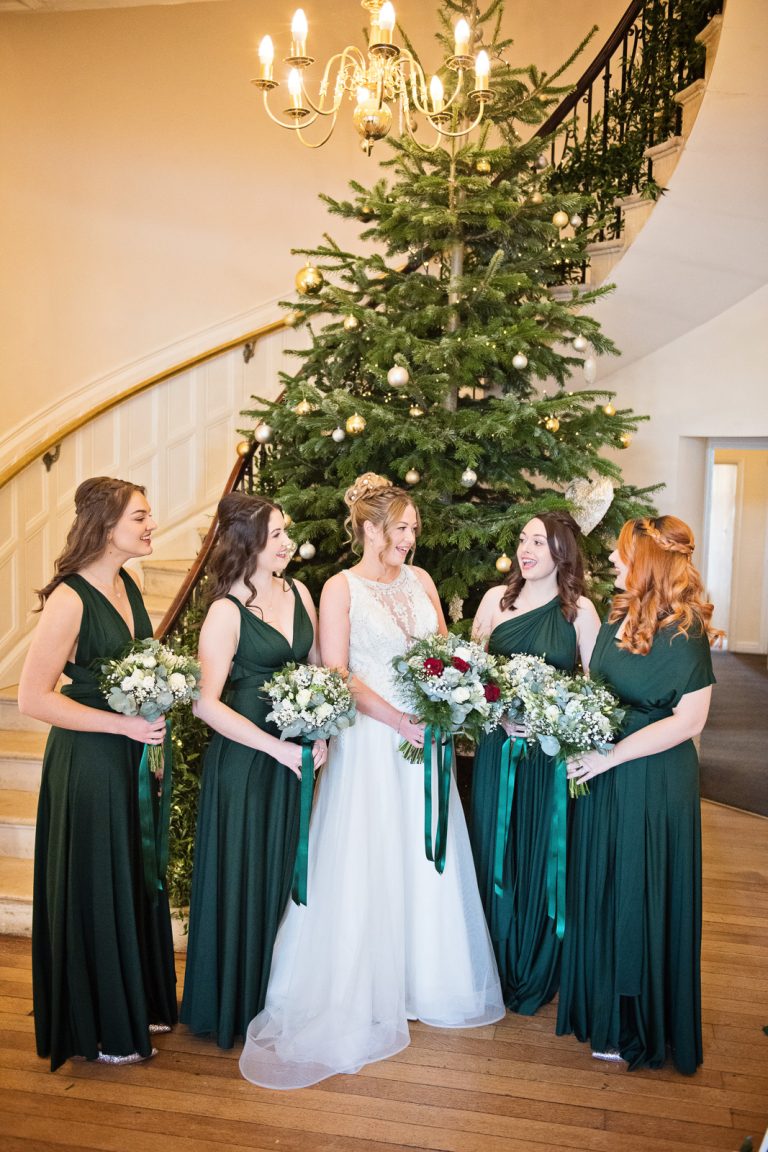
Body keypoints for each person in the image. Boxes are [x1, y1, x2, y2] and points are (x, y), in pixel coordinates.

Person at [239, 473, 504, 1089]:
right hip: (371, 740)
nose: (411, 539)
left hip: (425, 737)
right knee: (370, 853)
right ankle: (364, 984)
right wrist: (399, 720)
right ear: (369, 530)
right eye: (401, 529)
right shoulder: (339, 588)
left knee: (424, 851)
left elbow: (446, 653)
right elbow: (338, 673)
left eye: (413, 528)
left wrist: (448, 702)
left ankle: (426, 978)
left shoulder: (424, 581)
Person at [19, 477, 176, 1070]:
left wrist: (151, 724)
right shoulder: (70, 599)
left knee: (131, 876)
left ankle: (136, 1002)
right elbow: (33, 698)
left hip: (128, 753)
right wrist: (123, 728)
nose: (151, 524)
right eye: (140, 516)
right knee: (97, 882)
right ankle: (104, 1023)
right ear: (106, 526)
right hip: (87, 763)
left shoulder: (126, 584)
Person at [556, 515, 720, 1074]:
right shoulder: (619, 613)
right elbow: (597, 685)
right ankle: (603, 1007)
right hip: (603, 770)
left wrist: (611, 756)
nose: (612, 562)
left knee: (638, 889)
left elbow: (689, 721)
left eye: (622, 555)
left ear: (647, 561)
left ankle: (637, 1023)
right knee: (603, 885)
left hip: (651, 778)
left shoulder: (688, 631)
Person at [180, 492, 326, 1049]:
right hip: (246, 765)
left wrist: (324, 732)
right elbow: (205, 704)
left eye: (287, 533)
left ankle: (275, 997)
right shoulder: (225, 610)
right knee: (242, 872)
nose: (288, 543)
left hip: (294, 762)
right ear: (248, 542)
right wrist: (277, 748)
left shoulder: (300, 592)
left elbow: (319, 674)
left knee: (282, 872)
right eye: (278, 534)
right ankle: (231, 1003)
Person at [468, 512, 601, 1014]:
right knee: (494, 850)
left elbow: (593, 689)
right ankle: (491, 963)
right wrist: (497, 714)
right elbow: (471, 675)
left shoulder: (580, 611)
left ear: (561, 552)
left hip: (548, 759)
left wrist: (552, 720)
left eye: (538, 542)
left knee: (541, 854)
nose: (525, 550)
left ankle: (538, 963)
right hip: (497, 751)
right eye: (522, 540)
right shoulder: (495, 603)